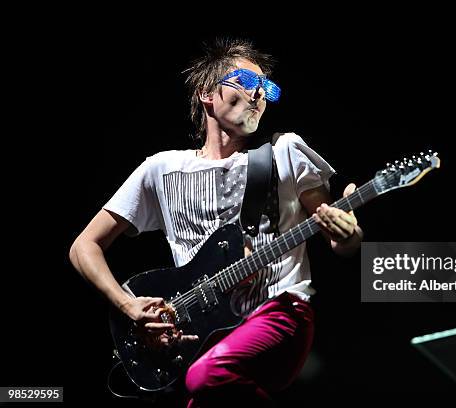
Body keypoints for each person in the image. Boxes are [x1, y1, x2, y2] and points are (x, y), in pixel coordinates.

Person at [68, 37, 363, 407]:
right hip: (202, 332)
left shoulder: (284, 152)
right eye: (245, 81)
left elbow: (338, 237)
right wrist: (128, 306)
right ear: (207, 92)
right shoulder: (160, 169)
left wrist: (349, 233)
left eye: (267, 89)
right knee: (204, 387)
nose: (259, 94)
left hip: (279, 312)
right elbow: (84, 246)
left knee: (207, 377)